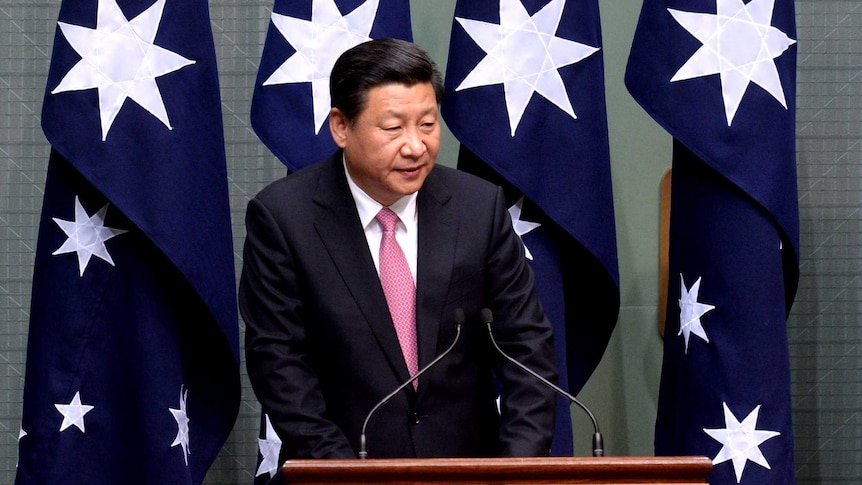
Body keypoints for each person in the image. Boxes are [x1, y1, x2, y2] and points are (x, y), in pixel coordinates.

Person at [239, 38, 557, 463]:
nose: (415, 146)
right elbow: (279, 363)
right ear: (341, 127)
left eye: (427, 125)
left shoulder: (479, 208)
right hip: (347, 467)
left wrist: (514, 468)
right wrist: (344, 474)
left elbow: (527, 348)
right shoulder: (284, 218)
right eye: (393, 128)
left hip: (468, 470)